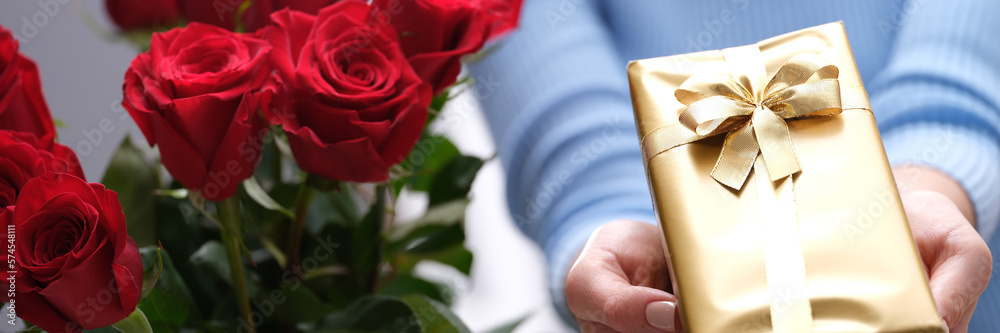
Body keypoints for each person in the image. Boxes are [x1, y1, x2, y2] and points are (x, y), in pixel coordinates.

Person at [468, 1, 1000, 332]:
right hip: (681, 282)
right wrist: (615, 233)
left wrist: (927, 181)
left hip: (957, 271)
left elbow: (961, 63)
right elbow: (549, 82)